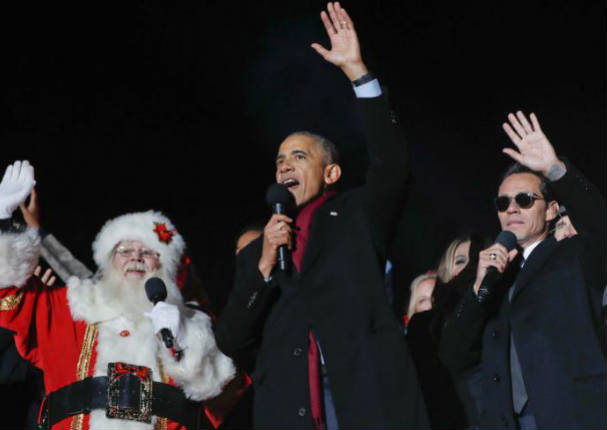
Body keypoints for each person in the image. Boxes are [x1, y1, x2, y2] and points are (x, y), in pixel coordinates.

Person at [215, 2, 427, 428]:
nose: (285, 166)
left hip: (364, 398)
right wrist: (261, 266)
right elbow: (231, 342)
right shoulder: (259, 250)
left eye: (298, 156)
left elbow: (393, 165)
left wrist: (357, 73)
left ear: (331, 172)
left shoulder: (357, 214)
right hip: (290, 408)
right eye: (279, 161)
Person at [0, 160, 236, 430]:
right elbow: (8, 293)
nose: (135, 257)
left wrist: (184, 346)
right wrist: (2, 222)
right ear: (109, 261)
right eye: (124, 250)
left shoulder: (191, 325)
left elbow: (224, 395)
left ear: (165, 266)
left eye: (148, 252)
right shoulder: (72, 307)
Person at [439, 111, 606, 429]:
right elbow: (454, 354)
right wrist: (477, 291)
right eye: (503, 203)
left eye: (525, 200)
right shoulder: (490, 272)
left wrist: (556, 170)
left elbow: (600, 226)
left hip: (574, 414)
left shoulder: (574, 253)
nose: (512, 208)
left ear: (552, 210)